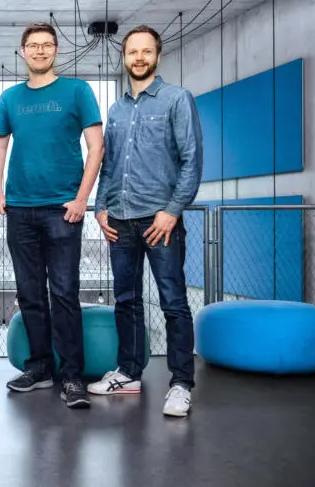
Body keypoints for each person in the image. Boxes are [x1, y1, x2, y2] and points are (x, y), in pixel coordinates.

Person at [89, 25, 202, 418]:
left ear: (158, 55)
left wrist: (171, 211)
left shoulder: (177, 99)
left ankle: (181, 384)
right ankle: (129, 373)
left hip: (160, 222)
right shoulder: (117, 109)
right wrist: (100, 207)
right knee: (126, 301)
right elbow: (109, 165)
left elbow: (191, 161)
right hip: (119, 221)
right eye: (132, 52)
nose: (138, 58)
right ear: (124, 56)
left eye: (145, 51)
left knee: (173, 303)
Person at [0, 22, 104, 409]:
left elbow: (96, 147)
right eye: (32, 45)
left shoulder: (78, 91)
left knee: (64, 293)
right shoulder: (10, 97)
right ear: (22, 52)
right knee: (30, 294)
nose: (39, 51)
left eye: (46, 45)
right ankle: (39, 367)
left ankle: (72, 376)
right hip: (20, 209)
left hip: (63, 208)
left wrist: (81, 198)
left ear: (56, 50)